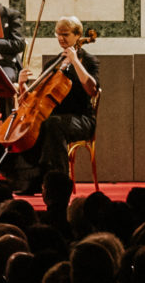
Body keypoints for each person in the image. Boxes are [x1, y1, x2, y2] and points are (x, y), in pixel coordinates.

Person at [6, 16, 98, 190]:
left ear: (78, 35)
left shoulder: (87, 60)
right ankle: (27, 180)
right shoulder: (54, 62)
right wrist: (24, 85)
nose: (61, 39)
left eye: (65, 34)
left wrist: (75, 61)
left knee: (52, 125)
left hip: (80, 118)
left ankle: (59, 184)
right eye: (58, 35)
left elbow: (92, 89)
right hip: (53, 117)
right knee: (19, 124)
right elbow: (35, 96)